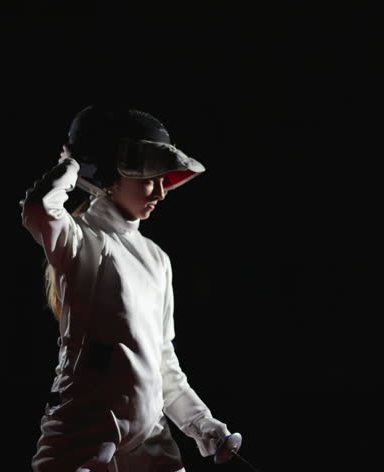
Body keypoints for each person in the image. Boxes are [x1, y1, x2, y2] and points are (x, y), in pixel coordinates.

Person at [20, 105, 237, 472]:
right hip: (86, 421)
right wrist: (74, 166)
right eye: (149, 179)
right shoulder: (81, 240)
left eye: (163, 179)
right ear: (109, 175)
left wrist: (202, 424)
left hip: (150, 429)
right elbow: (40, 209)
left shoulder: (157, 258)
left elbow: (162, 361)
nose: (160, 193)